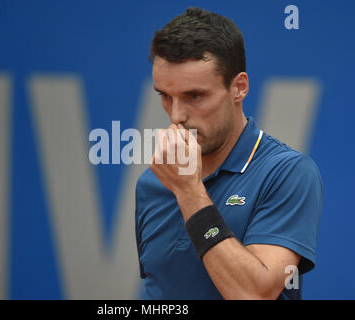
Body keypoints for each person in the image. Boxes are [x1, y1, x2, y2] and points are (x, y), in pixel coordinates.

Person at [134, 7, 322, 300]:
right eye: (165, 96)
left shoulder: (287, 173)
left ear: (239, 88)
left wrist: (188, 192)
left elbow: (255, 294)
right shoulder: (151, 184)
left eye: (194, 96)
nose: (177, 116)